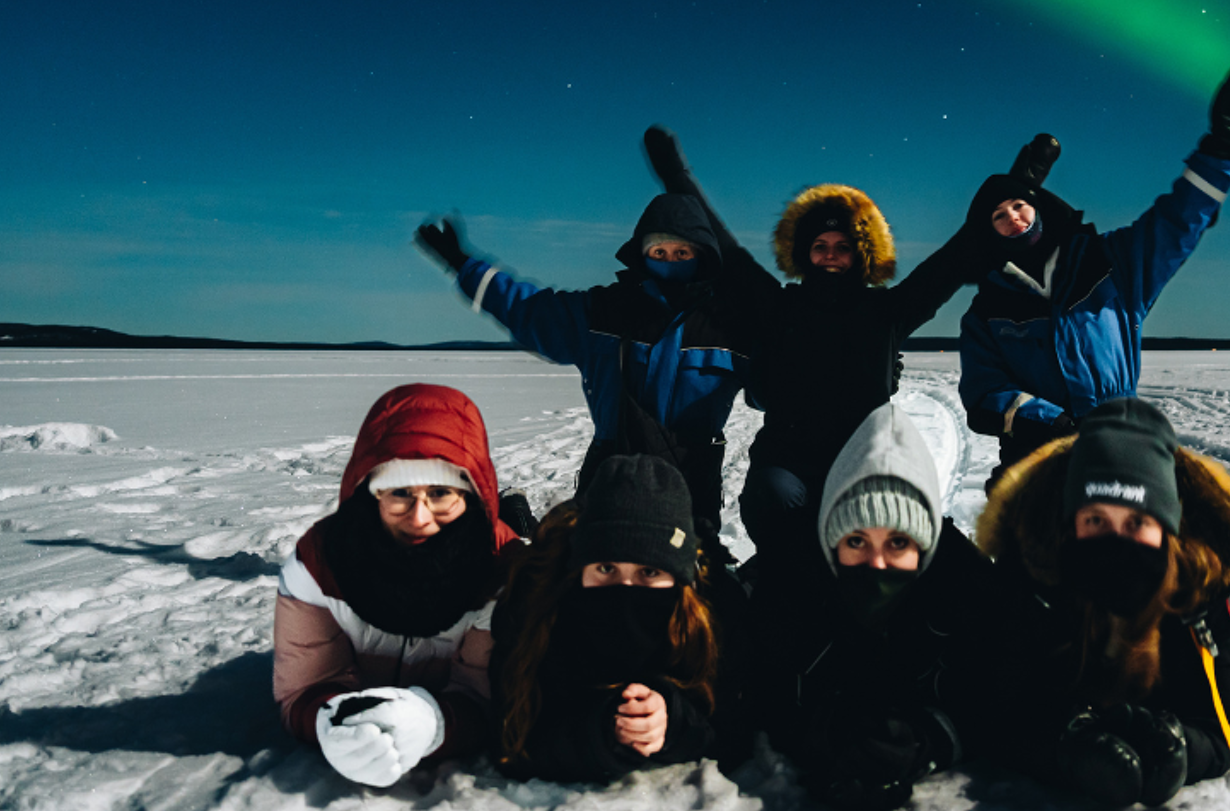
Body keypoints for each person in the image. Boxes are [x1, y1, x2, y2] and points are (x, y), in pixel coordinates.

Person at [645, 126, 1037, 554]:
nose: (830, 254)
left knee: (877, 532)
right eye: (820, 245)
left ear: (861, 253)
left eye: (843, 245)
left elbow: (955, 257)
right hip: (787, 459)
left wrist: (1023, 181)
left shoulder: (886, 312)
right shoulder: (777, 306)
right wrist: (675, 175)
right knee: (771, 503)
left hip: (864, 456)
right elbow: (727, 250)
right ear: (804, 253)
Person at [959, 67, 1230, 490]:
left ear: (1039, 207)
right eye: (998, 216)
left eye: (1018, 206)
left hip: (1120, 450)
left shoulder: (1108, 263)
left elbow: (1177, 222)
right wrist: (1054, 423)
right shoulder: (987, 310)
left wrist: (1222, 143)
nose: (1012, 217)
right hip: (1036, 464)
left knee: (1131, 552)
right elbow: (983, 391)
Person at [975, 397, 1230, 808]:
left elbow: (1227, 727)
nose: (1115, 542)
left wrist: (1183, 750)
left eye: (1137, 522)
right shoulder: (1033, 570)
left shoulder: (1204, 585)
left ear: (1168, 530)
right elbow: (999, 707)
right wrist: (1065, 748)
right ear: (1070, 526)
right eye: (1096, 520)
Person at [415, 189, 750, 555]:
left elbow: (776, 386)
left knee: (689, 578)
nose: (669, 261)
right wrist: (465, 266)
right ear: (643, 254)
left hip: (692, 476)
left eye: (682, 253)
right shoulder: (603, 311)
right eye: (659, 252)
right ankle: (518, 521)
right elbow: (529, 310)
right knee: (588, 576)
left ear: (701, 256)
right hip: (612, 467)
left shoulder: (730, 325)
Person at [747, 404, 1031, 810]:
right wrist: (825, 727)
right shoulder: (789, 585)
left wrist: (931, 735)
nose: (877, 565)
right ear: (831, 541)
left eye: (898, 543)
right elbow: (752, 688)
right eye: (857, 542)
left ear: (925, 547)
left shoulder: (968, 591)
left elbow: (1005, 694)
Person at [272, 383, 522, 787]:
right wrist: (329, 720)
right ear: (372, 494)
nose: (420, 517)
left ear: (471, 495)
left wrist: (435, 724)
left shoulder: (504, 571)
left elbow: (486, 693)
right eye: (401, 494)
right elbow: (307, 685)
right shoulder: (321, 563)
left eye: (441, 494)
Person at [488, 453, 749, 781]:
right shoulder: (539, 600)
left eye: (649, 571)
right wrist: (600, 735)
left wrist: (673, 721)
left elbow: (735, 726)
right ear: (579, 565)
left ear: (679, 577)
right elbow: (510, 728)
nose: (625, 589)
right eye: (606, 568)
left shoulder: (712, 610)